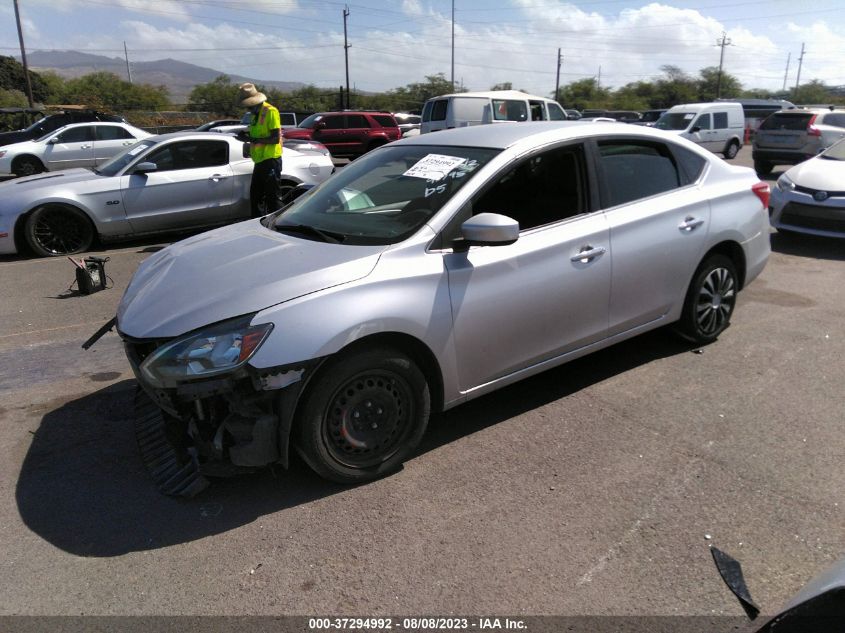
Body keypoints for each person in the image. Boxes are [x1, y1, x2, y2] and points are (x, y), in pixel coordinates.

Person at [238, 83, 283, 217]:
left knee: (272, 197)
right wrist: (245, 137)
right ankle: (257, 224)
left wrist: (252, 140)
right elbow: (258, 136)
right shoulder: (254, 115)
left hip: (271, 160)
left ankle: (278, 225)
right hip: (259, 161)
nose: (248, 109)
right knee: (256, 197)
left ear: (256, 103)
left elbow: (275, 138)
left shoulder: (271, 111)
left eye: (250, 106)